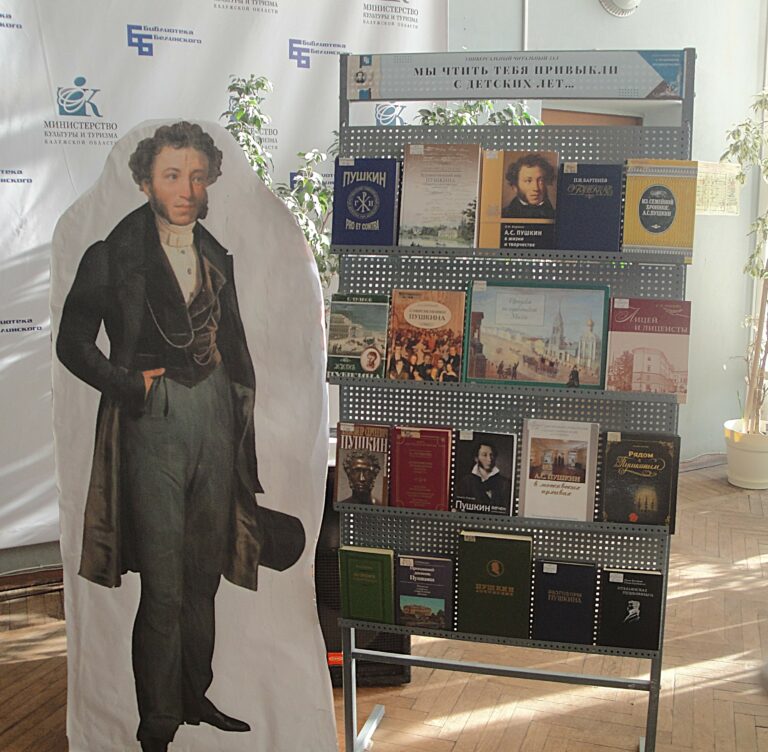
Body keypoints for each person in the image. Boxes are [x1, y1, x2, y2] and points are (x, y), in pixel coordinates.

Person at [56, 121, 304, 752]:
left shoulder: (217, 254)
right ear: (146, 182)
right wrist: (127, 384)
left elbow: (237, 347)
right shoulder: (111, 254)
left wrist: (242, 427)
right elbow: (72, 344)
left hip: (215, 418)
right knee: (164, 586)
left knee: (204, 576)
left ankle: (195, 696)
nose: (188, 190)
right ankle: (157, 725)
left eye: (197, 176)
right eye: (172, 175)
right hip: (152, 424)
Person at [456, 441, 512, 507]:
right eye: (484, 455)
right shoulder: (466, 482)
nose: (489, 459)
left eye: (491, 455)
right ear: (476, 458)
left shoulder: (505, 483)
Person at [502, 153, 556, 219]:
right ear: (515, 186)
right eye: (528, 181)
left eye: (541, 181)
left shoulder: (556, 215)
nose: (536, 188)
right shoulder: (504, 215)